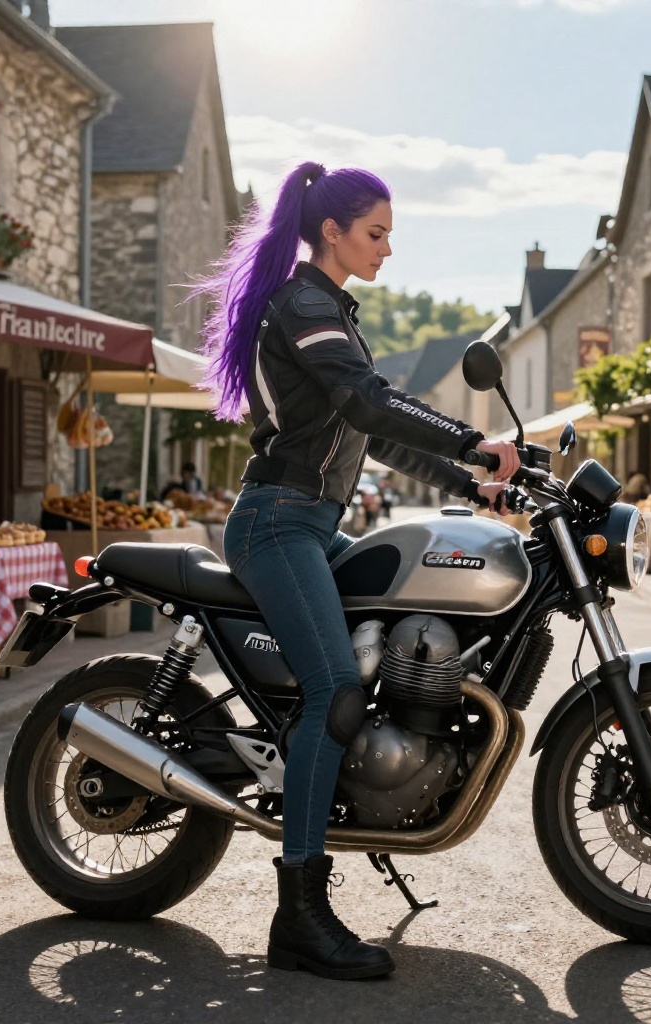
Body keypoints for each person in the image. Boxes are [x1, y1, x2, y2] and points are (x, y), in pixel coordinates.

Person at [197, 161, 520, 981]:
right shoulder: (305, 304)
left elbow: (368, 433)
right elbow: (370, 403)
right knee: (335, 690)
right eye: (376, 233)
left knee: (399, 617)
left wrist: (472, 485)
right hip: (277, 522)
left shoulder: (329, 309)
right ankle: (299, 916)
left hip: (313, 525)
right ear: (332, 231)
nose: (386, 248)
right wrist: (471, 442)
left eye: (389, 235)